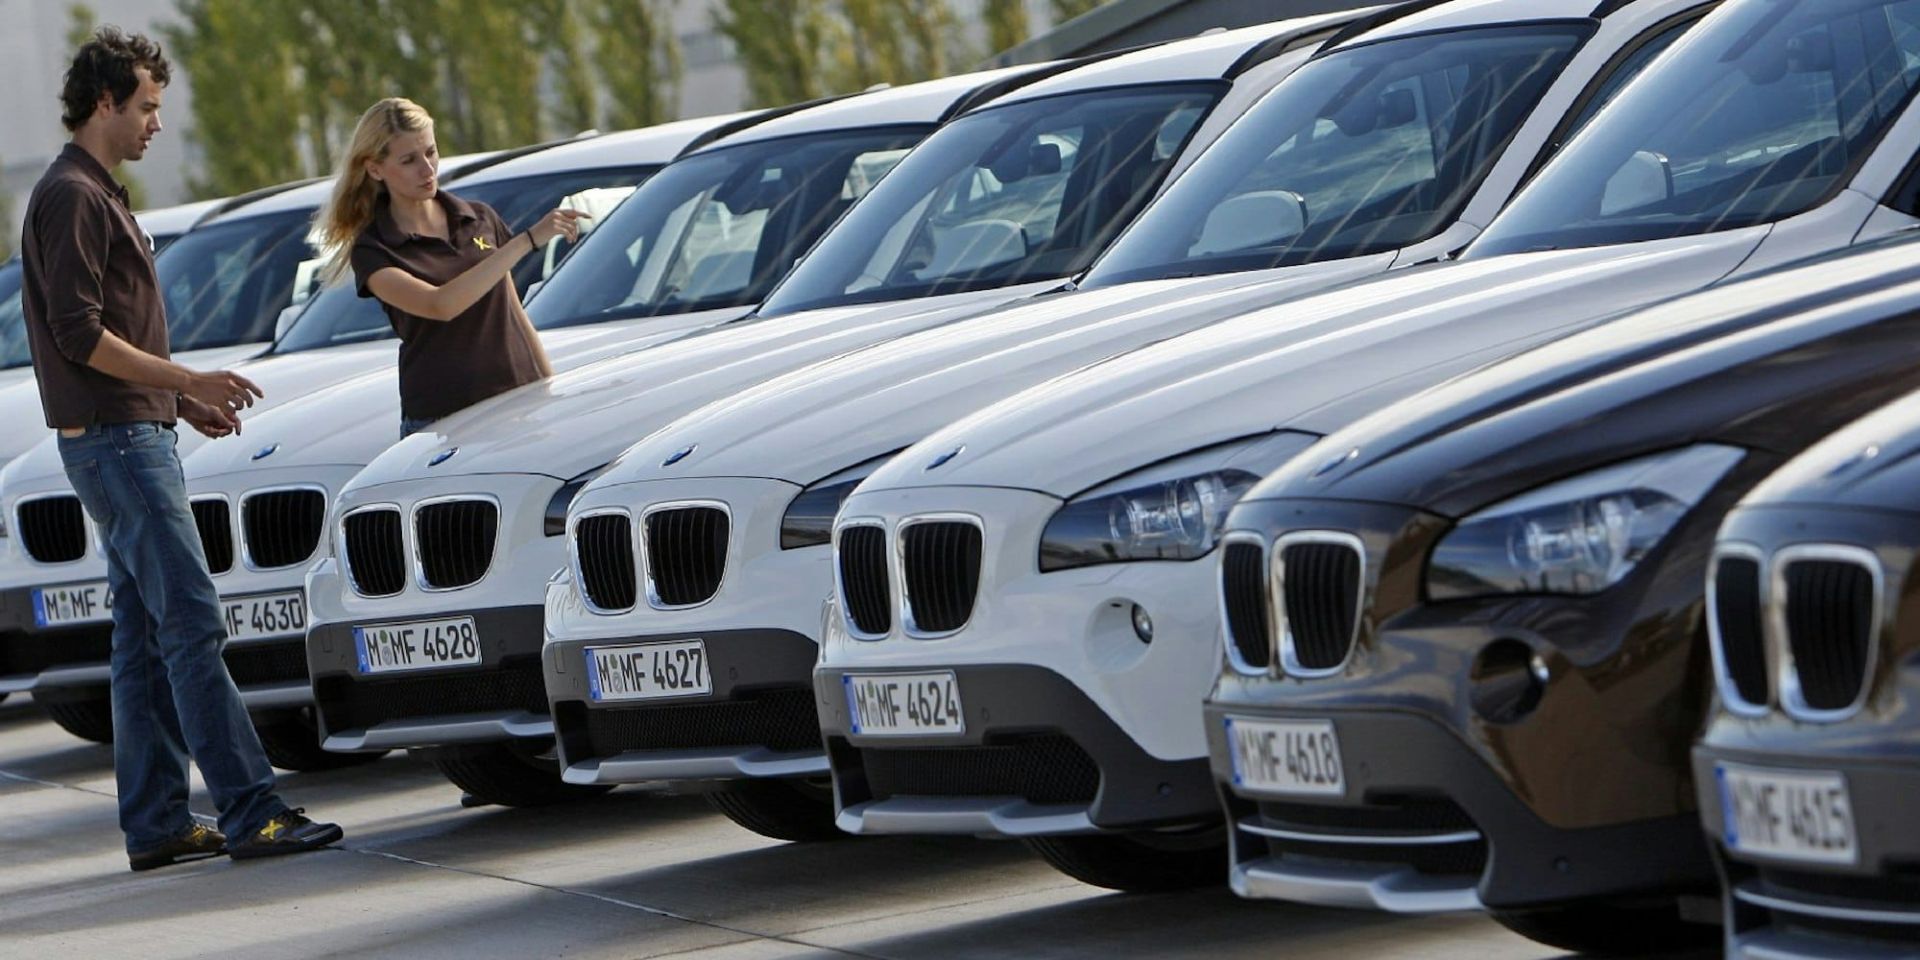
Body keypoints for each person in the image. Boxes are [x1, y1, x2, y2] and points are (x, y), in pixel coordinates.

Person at [19, 26, 342, 871]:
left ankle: (159, 823)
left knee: (141, 636)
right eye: (147, 107)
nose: (157, 123)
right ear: (104, 104)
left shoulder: (96, 191)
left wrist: (170, 400)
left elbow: (101, 338)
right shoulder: (73, 198)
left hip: (131, 433)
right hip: (120, 447)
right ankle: (252, 810)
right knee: (192, 624)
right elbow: (79, 334)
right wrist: (184, 381)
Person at [314, 97, 584, 438]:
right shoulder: (374, 248)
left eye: (431, 152)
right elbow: (439, 305)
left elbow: (513, 312)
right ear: (375, 169)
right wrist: (526, 241)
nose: (427, 170)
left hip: (519, 402)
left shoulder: (479, 217)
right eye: (409, 160)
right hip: (441, 422)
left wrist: (549, 387)